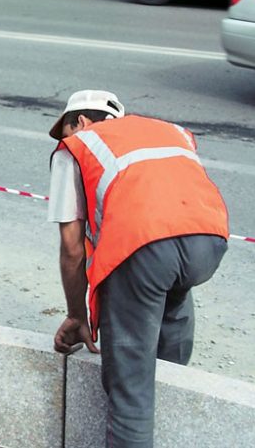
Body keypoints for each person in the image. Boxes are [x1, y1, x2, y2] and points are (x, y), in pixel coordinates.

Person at [47, 90, 228, 448]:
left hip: (144, 247)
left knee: (130, 390)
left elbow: (71, 248)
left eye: (65, 130)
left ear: (80, 122)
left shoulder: (78, 146)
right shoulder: (165, 131)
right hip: (209, 241)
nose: (64, 140)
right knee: (170, 322)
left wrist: (76, 313)